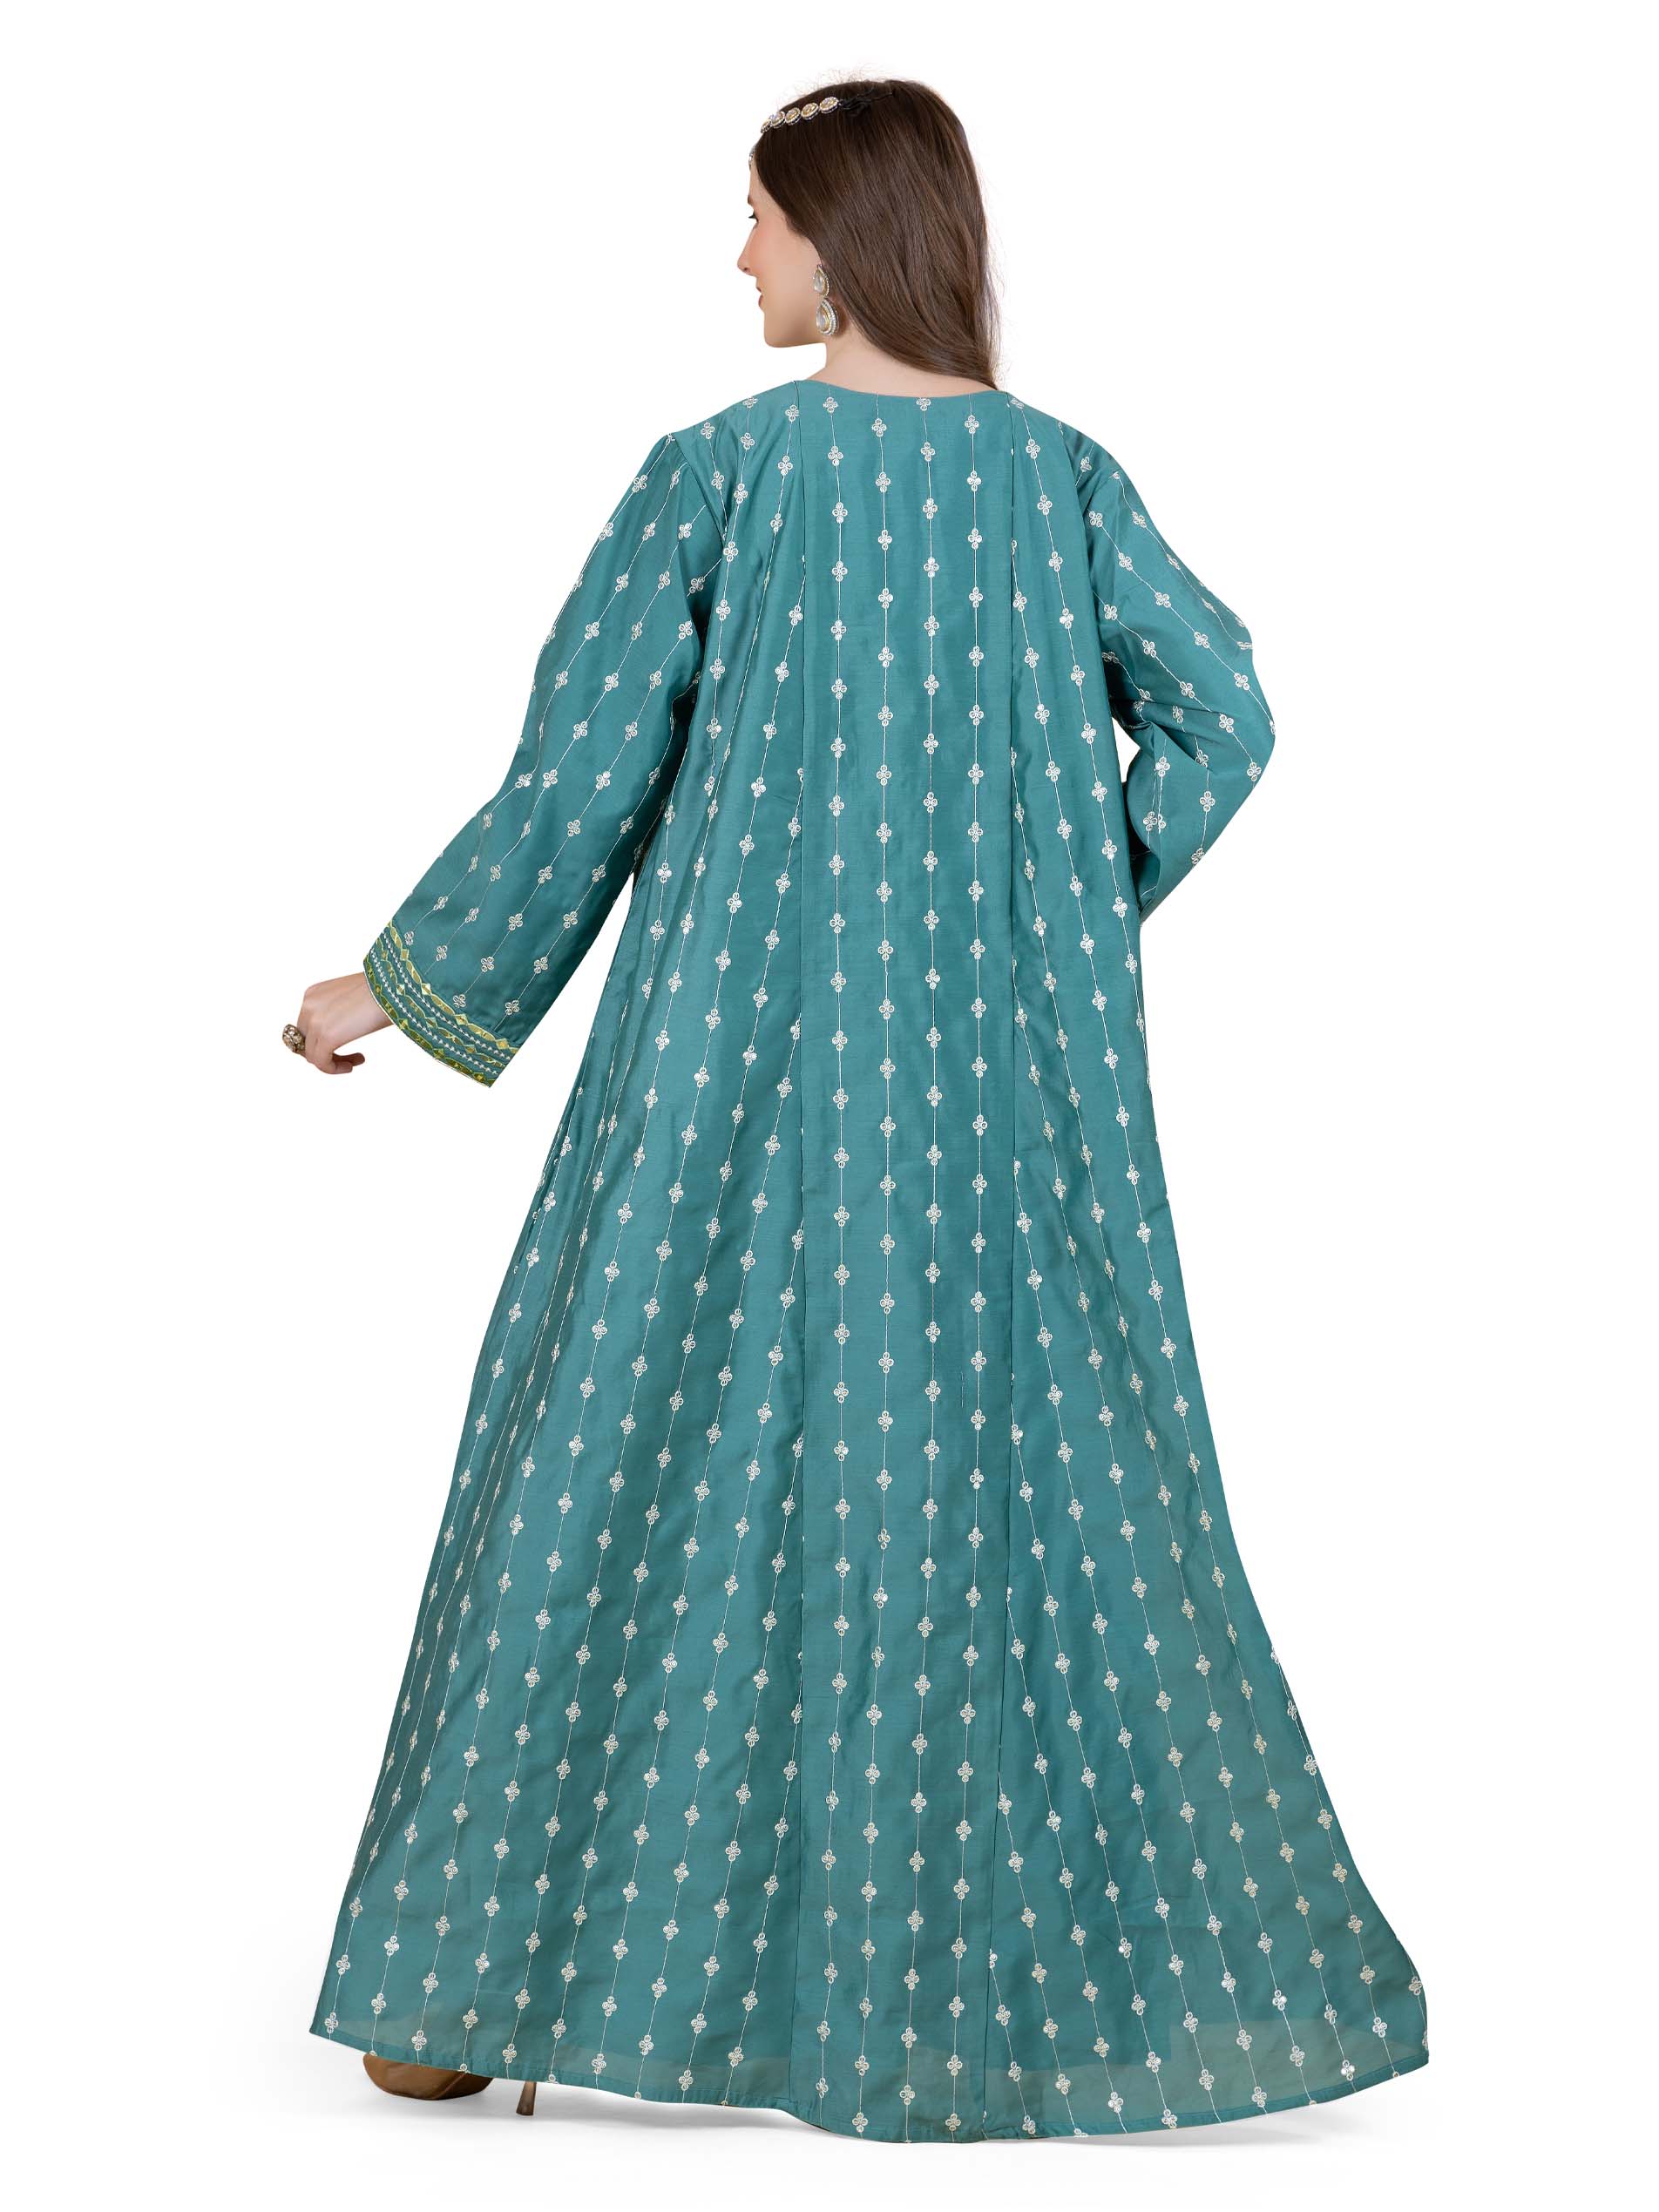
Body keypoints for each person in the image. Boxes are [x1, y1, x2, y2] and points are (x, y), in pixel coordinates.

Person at [291, 77, 1428, 2143]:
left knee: (610, 1453)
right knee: (1037, 1483)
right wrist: (1053, 907)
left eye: (756, 214)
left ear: (841, 233)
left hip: (722, 1067)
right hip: (1005, 1096)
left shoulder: (722, 476)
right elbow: (1224, 710)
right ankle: (1058, 1996)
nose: (736, 251)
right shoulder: (1058, 481)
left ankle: (473, 1981)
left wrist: (398, 978)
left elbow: (583, 777)